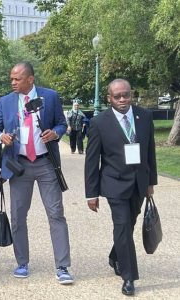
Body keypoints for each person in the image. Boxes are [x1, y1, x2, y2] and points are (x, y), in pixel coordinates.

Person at [0, 62, 74, 284]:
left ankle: (63, 267)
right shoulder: (5, 102)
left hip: (46, 164)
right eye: (11, 79)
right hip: (19, 165)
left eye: (17, 79)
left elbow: (61, 124)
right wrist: (1, 137)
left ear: (30, 79)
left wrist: (55, 133)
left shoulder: (51, 97)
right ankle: (22, 262)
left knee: (56, 213)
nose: (13, 82)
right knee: (18, 216)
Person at [84, 79, 157, 296]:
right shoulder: (99, 122)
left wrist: (151, 182)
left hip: (139, 183)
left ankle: (116, 255)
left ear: (131, 94)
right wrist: (91, 194)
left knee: (128, 225)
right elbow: (92, 160)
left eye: (126, 95)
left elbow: (150, 151)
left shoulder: (144, 116)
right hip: (114, 183)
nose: (123, 99)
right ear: (109, 98)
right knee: (123, 225)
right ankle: (129, 277)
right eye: (118, 96)